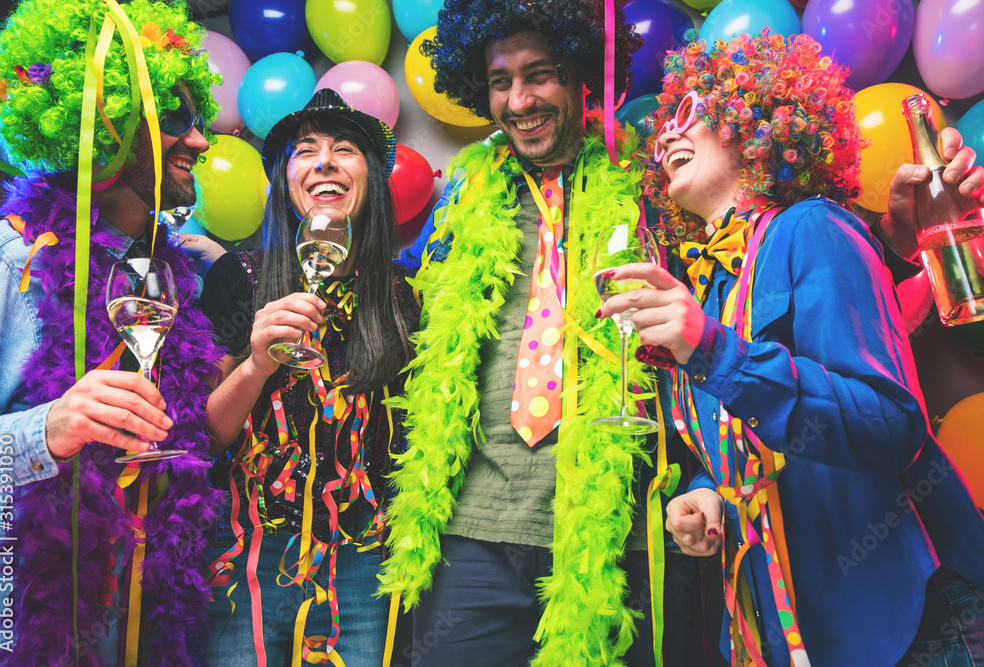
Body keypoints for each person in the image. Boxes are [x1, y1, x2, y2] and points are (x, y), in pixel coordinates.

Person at [599, 31, 984, 667]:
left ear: (756, 120)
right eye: (665, 120)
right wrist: (706, 493)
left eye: (692, 111)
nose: (666, 132)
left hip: (905, 622)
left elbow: (893, 425)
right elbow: (751, 443)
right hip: (789, 631)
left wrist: (716, 353)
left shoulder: (812, 225)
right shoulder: (714, 285)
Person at [382, 2, 699, 665]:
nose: (519, 99)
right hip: (474, 532)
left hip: (616, 531)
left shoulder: (655, 188)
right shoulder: (461, 198)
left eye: (541, 74)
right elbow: (396, 310)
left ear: (580, 72)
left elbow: (732, 301)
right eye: (501, 80)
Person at [0, 0, 223, 663]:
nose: (200, 142)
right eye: (176, 118)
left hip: (133, 628)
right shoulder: (8, 258)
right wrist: (47, 428)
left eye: (199, 119)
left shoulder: (162, 273)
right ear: (109, 120)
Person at [199, 89, 419, 666]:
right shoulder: (239, 278)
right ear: (285, 181)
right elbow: (204, 438)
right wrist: (256, 364)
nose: (324, 161)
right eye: (306, 151)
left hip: (367, 556)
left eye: (345, 150)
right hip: (251, 550)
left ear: (369, 179)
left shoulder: (407, 296)